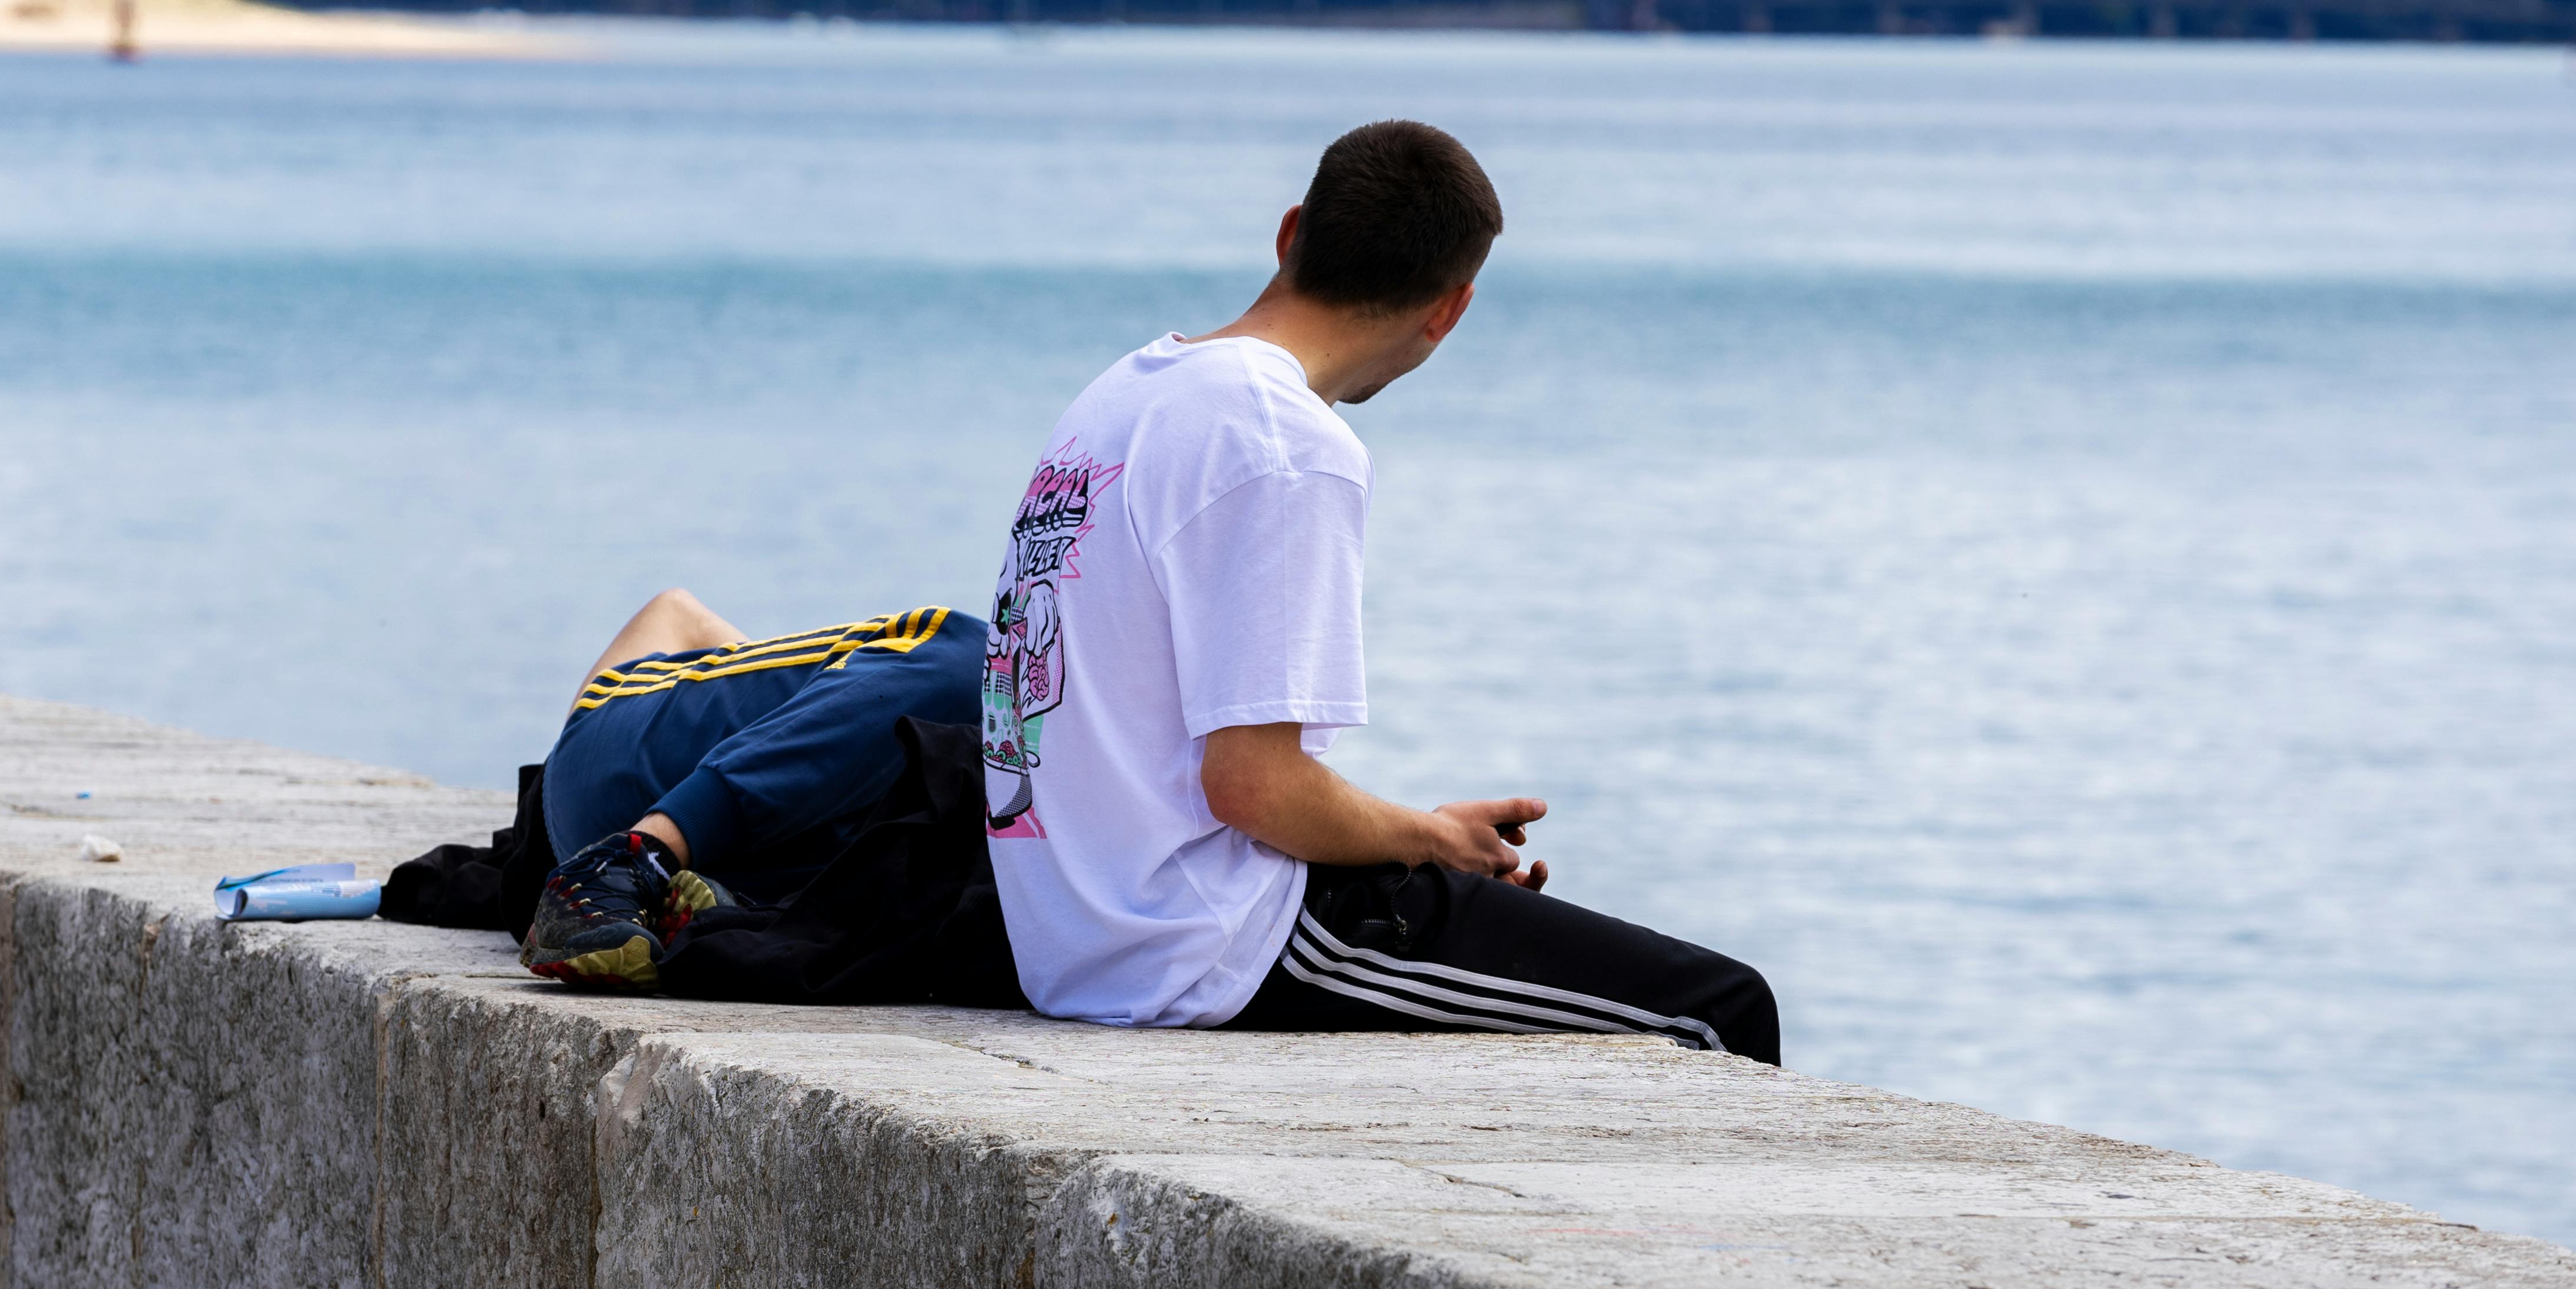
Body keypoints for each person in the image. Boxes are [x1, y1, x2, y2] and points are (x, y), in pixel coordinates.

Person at [979, 119, 1778, 1056]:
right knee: (1718, 1011)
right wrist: (1435, 846)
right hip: (1205, 946)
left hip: (1075, 937)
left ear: (1289, 234)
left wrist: (1426, 833)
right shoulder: (1284, 444)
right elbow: (1252, 787)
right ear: (1450, 311)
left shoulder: (1122, 395)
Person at [519, 590, 983, 984]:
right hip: (768, 864)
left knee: (975, 653)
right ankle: (687, 881)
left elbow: (672, 609)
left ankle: (639, 860)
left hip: (609, 774)